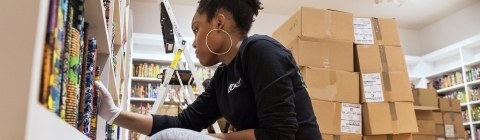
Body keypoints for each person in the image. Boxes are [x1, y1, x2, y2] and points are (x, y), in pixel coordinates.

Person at [94, 0, 322, 139]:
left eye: (196, 29)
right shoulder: (222, 78)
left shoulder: (261, 51)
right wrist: (114, 115)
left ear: (219, 24)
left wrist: (217, 138)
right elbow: (182, 123)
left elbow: (279, 135)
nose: (193, 43)